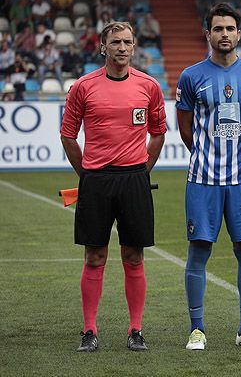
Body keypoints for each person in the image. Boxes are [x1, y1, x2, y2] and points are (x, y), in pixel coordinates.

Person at [60, 21, 167, 352]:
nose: (122, 47)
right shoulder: (83, 86)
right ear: (103, 47)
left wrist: (142, 171)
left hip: (134, 179)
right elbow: (68, 135)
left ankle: (136, 330)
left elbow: (158, 133)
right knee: (94, 256)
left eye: (127, 42)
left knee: (134, 256)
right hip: (96, 179)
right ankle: (89, 330)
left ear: (134, 46)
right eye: (116, 42)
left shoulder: (149, 86)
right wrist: (87, 175)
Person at [175, 3, 241, 351]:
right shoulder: (191, 76)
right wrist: (207, 155)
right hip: (203, 180)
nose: (225, 34)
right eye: (218, 29)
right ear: (208, 34)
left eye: (230, 28)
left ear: (239, 33)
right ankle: (197, 329)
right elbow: (185, 127)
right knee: (198, 252)